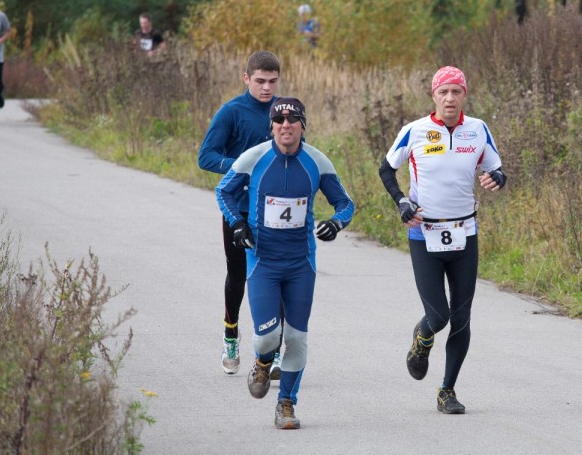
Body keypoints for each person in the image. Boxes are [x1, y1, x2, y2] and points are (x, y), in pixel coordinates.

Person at [216, 97, 355, 430]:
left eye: (293, 120)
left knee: (296, 337)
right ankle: (263, 361)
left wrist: (336, 223)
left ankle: (287, 404)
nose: (286, 125)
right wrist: (237, 223)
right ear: (272, 127)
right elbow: (224, 192)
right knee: (268, 337)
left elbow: (345, 204)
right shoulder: (254, 157)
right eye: (279, 121)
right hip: (263, 261)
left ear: (303, 125)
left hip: (300, 264)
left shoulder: (317, 162)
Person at [379, 66, 507, 415]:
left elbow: (497, 168)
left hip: (465, 232)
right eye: (443, 92)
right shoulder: (415, 131)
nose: (450, 98)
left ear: (465, 95)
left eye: (456, 92)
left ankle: (447, 391)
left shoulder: (478, 129)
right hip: (424, 233)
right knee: (438, 315)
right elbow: (386, 168)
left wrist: (497, 178)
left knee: (462, 317)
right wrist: (402, 201)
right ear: (433, 95)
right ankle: (422, 341)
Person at [199, 51, 284, 376]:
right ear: (246, 78)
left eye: (272, 81)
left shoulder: (283, 111)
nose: (266, 87)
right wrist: (239, 168)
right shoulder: (232, 112)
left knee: (277, 278)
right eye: (260, 81)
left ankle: (274, 351)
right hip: (238, 210)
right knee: (238, 276)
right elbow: (206, 156)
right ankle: (231, 335)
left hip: (276, 211)